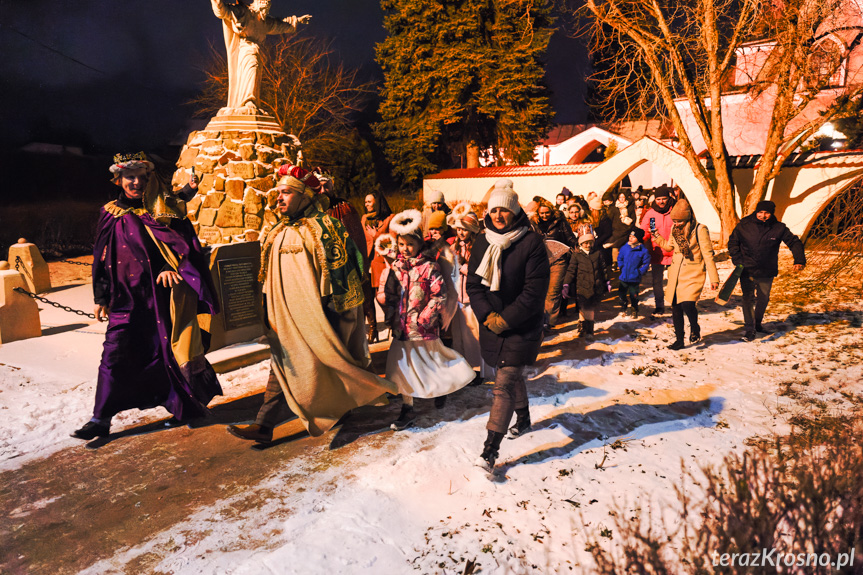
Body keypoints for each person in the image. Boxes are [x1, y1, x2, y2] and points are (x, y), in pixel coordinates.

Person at [228, 165, 396, 443]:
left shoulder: (325, 227)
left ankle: (347, 403)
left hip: (320, 316)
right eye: (278, 193)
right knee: (283, 366)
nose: (279, 199)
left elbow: (346, 270)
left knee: (330, 364)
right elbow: (267, 277)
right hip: (283, 317)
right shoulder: (276, 231)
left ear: (305, 195)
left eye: (286, 193)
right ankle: (264, 425)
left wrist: (340, 315)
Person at [73, 152, 222, 440]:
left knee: (166, 354)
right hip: (123, 300)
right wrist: (101, 296)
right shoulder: (109, 214)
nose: (137, 182)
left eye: (142, 176)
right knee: (113, 355)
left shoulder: (160, 209)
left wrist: (170, 266)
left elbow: (182, 244)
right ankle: (100, 419)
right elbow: (100, 257)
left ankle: (186, 408)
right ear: (118, 179)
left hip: (159, 298)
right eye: (130, 176)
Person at [466, 179, 549, 472]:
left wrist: (506, 319)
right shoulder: (482, 240)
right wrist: (488, 316)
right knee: (508, 374)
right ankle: (523, 418)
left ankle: (489, 452)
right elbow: (474, 285)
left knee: (503, 386)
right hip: (491, 323)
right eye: (494, 210)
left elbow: (534, 292)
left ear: (515, 212)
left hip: (522, 325)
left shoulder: (531, 243)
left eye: (505, 210)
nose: (499, 215)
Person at [381, 210, 474, 430]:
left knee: (433, 362)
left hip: (422, 328)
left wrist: (425, 318)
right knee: (401, 367)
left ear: (419, 243)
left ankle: (443, 388)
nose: (405, 249)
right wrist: (391, 317)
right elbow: (391, 294)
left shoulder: (429, 267)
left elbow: (438, 295)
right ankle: (407, 406)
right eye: (401, 244)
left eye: (410, 244)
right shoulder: (396, 267)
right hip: (401, 329)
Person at [210, 0, 311, 111]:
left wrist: (297, 20)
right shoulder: (244, 12)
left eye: (267, 9)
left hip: (256, 50)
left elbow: (280, 25)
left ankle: (249, 101)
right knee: (252, 68)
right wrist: (217, 2)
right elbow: (225, 12)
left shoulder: (264, 22)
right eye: (263, 8)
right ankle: (248, 101)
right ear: (257, 4)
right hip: (245, 49)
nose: (265, 12)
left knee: (255, 73)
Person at [728, 200, 805, 341]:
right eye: (761, 212)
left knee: (763, 298)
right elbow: (733, 243)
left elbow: (794, 242)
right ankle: (749, 329)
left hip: (766, 270)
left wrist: (799, 260)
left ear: (772, 213)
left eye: (767, 213)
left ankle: (757, 323)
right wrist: (738, 260)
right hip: (746, 269)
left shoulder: (779, 228)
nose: (763, 216)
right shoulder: (744, 225)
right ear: (756, 212)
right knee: (748, 298)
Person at [649, 198, 719, 350]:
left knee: (687, 303)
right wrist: (657, 236)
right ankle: (679, 339)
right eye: (674, 221)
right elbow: (669, 247)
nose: (676, 224)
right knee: (676, 307)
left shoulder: (700, 229)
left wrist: (714, 278)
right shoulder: (675, 230)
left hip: (693, 272)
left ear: (687, 218)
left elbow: (708, 254)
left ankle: (694, 327)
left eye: (679, 221)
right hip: (676, 273)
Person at [449, 209, 493, 380]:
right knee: (459, 335)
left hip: (471, 297)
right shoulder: (453, 246)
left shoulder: (478, 247)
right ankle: (463, 368)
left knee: (473, 335)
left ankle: (478, 369)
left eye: (465, 229)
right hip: (457, 297)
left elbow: (482, 270)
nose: (461, 232)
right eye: (459, 229)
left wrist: (465, 268)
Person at [531, 199, 577, 330]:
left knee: (553, 291)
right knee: (540, 291)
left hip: (558, 259)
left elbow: (569, 237)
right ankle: (539, 318)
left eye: (547, 213)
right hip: (539, 260)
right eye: (542, 213)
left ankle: (548, 322)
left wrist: (577, 245)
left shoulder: (560, 222)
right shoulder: (533, 223)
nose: (544, 216)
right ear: (538, 213)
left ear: (552, 211)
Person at [361, 191, 394, 342]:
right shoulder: (364, 220)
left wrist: (377, 237)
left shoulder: (390, 219)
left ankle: (394, 325)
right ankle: (373, 330)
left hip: (382, 263)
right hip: (367, 263)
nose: (366, 204)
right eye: (366, 202)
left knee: (383, 298)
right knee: (368, 300)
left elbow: (392, 246)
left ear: (377, 202)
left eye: (369, 201)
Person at [564, 232, 609, 338]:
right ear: (581, 244)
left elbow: (603, 269)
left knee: (589, 309)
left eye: (590, 243)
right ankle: (582, 326)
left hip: (595, 286)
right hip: (582, 287)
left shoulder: (597, 253)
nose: (588, 245)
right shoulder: (577, 255)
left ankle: (589, 330)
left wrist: (606, 281)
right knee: (583, 307)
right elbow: (571, 271)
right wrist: (566, 284)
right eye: (585, 243)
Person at [639, 186, 676, 315]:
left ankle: (675, 304)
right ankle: (659, 305)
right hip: (657, 252)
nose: (661, 202)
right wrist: (640, 241)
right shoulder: (651, 213)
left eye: (664, 199)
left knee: (673, 281)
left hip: (674, 252)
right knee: (657, 282)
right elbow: (644, 230)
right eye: (658, 199)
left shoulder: (675, 210)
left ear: (669, 198)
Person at [616, 228, 652, 318]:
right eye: (630, 236)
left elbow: (646, 263)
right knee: (621, 294)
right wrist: (621, 266)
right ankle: (623, 306)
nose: (630, 238)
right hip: (624, 276)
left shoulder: (643, 250)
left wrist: (640, 271)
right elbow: (620, 258)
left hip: (634, 278)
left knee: (634, 295)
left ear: (638, 239)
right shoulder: (625, 247)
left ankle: (634, 309)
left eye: (633, 237)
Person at [608, 191, 636, 269]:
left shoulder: (629, 207)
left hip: (626, 229)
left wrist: (629, 227)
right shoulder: (614, 208)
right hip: (616, 230)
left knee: (624, 247)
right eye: (620, 197)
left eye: (623, 197)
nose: (622, 199)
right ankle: (615, 262)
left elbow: (633, 219)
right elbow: (611, 219)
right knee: (615, 246)